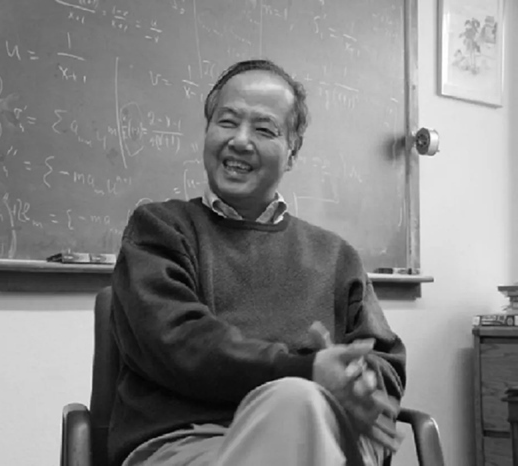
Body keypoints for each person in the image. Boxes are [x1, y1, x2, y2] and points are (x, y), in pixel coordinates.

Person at [108, 59, 406, 466]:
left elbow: (383, 361)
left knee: (302, 406)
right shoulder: (159, 230)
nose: (240, 141)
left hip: (323, 434)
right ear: (208, 132)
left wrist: (357, 379)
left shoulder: (337, 257)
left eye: (264, 129)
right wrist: (305, 370)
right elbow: (178, 343)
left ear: (292, 153)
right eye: (227, 122)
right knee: (295, 400)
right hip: (191, 441)